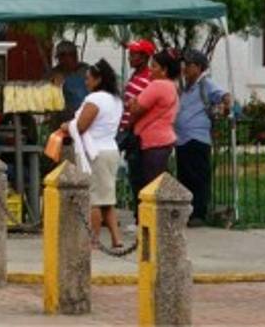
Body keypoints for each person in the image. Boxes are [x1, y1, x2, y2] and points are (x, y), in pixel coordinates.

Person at [61, 59, 123, 249]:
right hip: (110, 149)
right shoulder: (116, 100)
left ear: (98, 80)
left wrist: (66, 126)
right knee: (107, 198)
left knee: (94, 199)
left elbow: (81, 126)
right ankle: (116, 238)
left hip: (95, 152)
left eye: (88, 79)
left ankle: (93, 239)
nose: (86, 82)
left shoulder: (95, 100)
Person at [175, 48, 231, 227]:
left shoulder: (205, 84)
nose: (184, 68)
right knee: (185, 177)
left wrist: (226, 109)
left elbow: (225, 96)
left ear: (198, 67)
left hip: (197, 138)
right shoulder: (186, 88)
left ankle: (199, 213)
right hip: (182, 139)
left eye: (189, 65)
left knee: (198, 177)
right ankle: (188, 212)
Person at [126, 49, 180, 185]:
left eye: (154, 66)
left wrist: (133, 102)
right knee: (159, 181)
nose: (150, 70)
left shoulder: (157, 85)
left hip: (152, 141)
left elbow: (136, 109)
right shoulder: (172, 87)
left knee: (150, 183)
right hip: (164, 140)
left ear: (164, 70)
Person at [119, 38, 156, 202]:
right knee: (134, 174)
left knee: (140, 175)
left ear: (144, 57)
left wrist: (129, 126)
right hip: (130, 130)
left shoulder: (148, 78)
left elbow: (141, 106)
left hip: (137, 132)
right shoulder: (135, 76)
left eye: (133, 55)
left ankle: (140, 215)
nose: (130, 58)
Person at [49, 40, 88, 113]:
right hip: (62, 114)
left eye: (63, 57)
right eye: (59, 58)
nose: (61, 61)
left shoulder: (86, 71)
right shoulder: (55, 72)